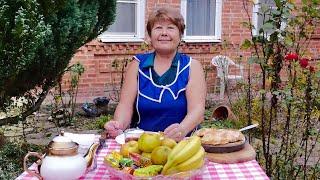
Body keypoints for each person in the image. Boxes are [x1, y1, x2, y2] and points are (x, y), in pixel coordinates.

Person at [104, 7, 206, 141]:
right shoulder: (137, 65)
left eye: (171, 28)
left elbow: (197, 111)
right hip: (142, 144)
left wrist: (182, 129)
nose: (164, 33)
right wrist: (118, 126)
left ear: (180, 35)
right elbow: (125, 105)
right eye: (158, 28)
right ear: (150, 35)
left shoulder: (192, 66)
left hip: (183, 145)